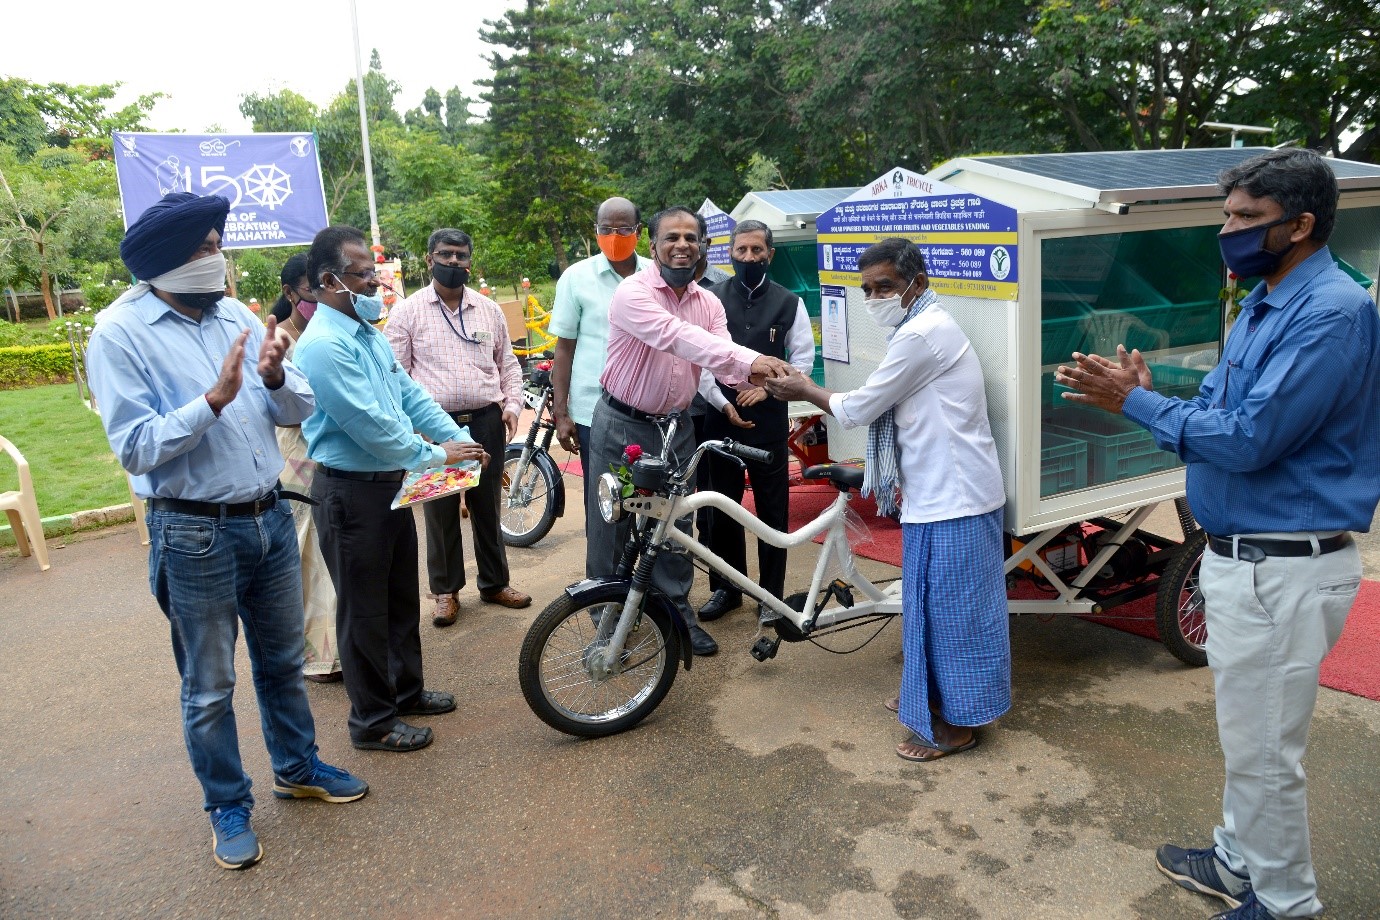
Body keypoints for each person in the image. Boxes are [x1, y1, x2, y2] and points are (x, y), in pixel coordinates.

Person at [1057, 148, 1380, 920]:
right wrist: (1151, 392)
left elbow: (1247, 440)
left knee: (1267, 756)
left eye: (1245, 219)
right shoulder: (1266, 300)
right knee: (1250, 741)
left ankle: (1284, 902)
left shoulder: (1332, 311)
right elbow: (1218, 411)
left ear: (1301, 225)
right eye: (1225, 215)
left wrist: (1133, 406)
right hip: (1251, 563)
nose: (1226, 232)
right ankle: (1238, 860)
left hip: (1282, 568)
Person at [85, 193, 368, 872]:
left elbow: (296, 397)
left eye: (218, 243)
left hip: (267, 515)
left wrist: (272, 377)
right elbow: (136, 447)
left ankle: (297, 767)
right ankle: (226, 804)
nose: (219, 258)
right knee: (209, 685)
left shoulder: (233, 315)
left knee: (281, 666)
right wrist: (211, 401)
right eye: (206, 247)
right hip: (193, 533)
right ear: (166, 261)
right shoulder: (118, 334)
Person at [763, 238, 1010, 762]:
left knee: (953, 616)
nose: (874, 296)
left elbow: (861, 406)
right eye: (868, 288)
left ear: (916, 283)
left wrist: (807, 390)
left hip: (958, 498)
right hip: (936, 495)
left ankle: (957, 724)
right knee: (925, 607)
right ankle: (928, 700)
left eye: (885, 286)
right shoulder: (916, 326)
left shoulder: (924, 333)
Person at [294, 225, 489, 753]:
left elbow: (410, 395)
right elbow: (374, 426)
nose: (375, 284)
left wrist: (459, 439)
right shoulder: (325, 347)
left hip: (389, 484)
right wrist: (435, 455)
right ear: (330, 280)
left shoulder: (364, 334)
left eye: (374, 273)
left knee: (400, 597)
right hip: (351, 492)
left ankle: (407, 691)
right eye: (364, 274)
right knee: (363, 611)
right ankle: (373, 721)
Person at [586, 205, 795, 656]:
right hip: (624, 427)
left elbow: (721, 356)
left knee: (676, 525)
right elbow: (675, 336)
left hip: (676, 430)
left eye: (690, 238)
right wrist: (750, 361)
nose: (682, 246)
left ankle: (677, 614)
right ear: (653, 245)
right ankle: (608, 625)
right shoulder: (632, 293)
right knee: (615, 524)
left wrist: (765, 380)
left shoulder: (709, 302)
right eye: (671, 238)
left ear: (702, 246)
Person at [384, 229, 531, 625]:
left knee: (487, 507)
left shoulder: (489, 310)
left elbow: (509, 365)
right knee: (441, 510)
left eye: (460, 256)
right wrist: (413, 428)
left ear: (470, 261)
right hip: (437, 429)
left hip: (486, 420)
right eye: (445, 255)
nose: (453, 262)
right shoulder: (407, 312)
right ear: (429, 260)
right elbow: (393, 376)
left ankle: (495, 582)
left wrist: (512, 405)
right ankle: (446, 591)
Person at [697, 219, 815, 622]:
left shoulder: (789, 302)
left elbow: (802, 362)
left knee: (773, 509)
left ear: (770, 254)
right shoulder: (709, 299)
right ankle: (725, 589)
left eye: (757, 251)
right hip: (719, 417)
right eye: (742, 250)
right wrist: (721, 401)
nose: (749, 257)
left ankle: (772, 595)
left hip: (768, 421)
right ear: (728, 252)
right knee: (719, 509)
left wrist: (768, 390)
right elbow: (698, 362)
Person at [548, 197, 650, 508]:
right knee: (606, 505)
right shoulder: (576, 278)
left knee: (650, 503)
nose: (615, 236)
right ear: (595, 231)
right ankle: (606, 559)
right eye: (606, 229)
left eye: (624, 229)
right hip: (593, 413)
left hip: (649, 412)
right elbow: (564, 348)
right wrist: (561, 412)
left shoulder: (656, 276)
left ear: (639, 231)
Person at [272, 254, 342, 683]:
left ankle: (341, 648)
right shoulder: (279, 340)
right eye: (308, 291)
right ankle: (316, 656)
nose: (315, 298)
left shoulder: (327, 332)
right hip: (297, 454)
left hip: (331, 453)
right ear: (290, 293)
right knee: (305, 555)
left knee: (334, 554)